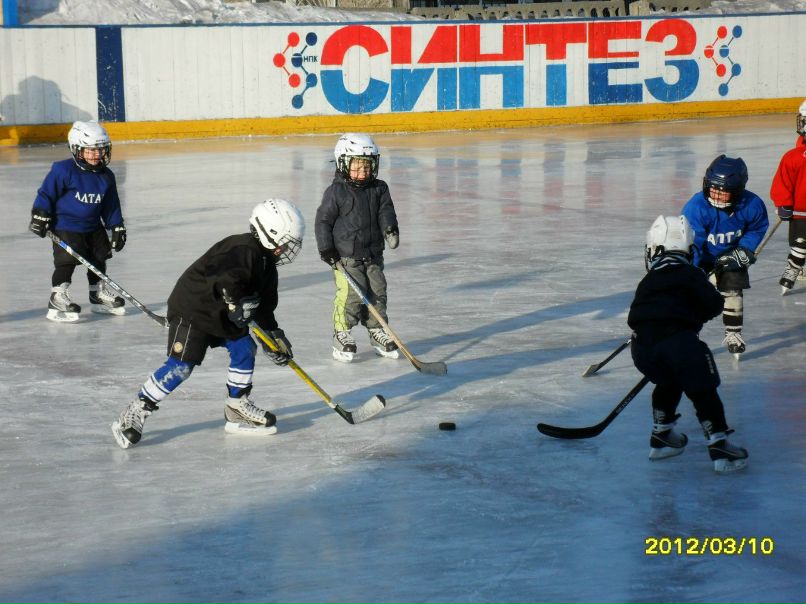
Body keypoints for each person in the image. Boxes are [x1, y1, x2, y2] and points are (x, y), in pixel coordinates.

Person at [111, 199, 305, 449]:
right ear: (270, 233)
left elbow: (264, 309)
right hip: (195, 310)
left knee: (245, 347)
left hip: (224, 316)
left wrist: (272, 336)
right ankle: (137, 409)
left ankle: (237, 407)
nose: (287, 249)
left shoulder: (268, 267)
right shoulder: (241, 249)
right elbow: (223, 277)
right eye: (286, 242)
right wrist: (235, 301)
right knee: (182, 366)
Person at [628, 215, 748, 473]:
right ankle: (719, 444)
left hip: (642, 348)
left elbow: (637, 313)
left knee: (667, 381)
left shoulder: (648, 280)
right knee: (703, 390)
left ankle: (661, 438)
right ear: (688, 250)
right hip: (679, 344)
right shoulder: (691, 274)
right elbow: (715, 304)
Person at [29, 120, 127, 322]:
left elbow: (111, 205)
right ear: (76, 149)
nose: (96, 155)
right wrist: (40, 214)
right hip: (66, 226)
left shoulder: (106, 176)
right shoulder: (63, 170)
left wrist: (116, 226)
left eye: (100, 149)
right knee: (67, 261)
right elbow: (46, 193)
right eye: (89, 150)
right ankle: (58, 296)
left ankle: (97, 293)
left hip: (93, 226)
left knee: (99, 258)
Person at [315, 133, 400, 363]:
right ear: (343, 164)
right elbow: (323, 221)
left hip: (373, 255)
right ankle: (341, 333)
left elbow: (386, 211)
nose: (363, 173)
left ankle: (377, 330)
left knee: (377, 292)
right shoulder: (336, 192)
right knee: (351, 296)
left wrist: (390, 229)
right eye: (357, 167)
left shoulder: (379, 188)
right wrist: (326, 249)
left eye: (368, 166)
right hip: (345, 257)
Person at [682, 155, 769, 358]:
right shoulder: (696, 207)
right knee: (691, 299)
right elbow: (692, 243)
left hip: (732, 256)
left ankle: (733, 334)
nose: (716, 195)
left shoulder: (752, 204)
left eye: (724, 192)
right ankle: (686, 335)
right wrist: (691, 272)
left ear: (738, 191)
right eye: (713, 188)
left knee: (732, 291)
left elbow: (757, 229)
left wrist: (745, 250)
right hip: (702, 257)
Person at [770, 99, 806, 295]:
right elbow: (783, 183)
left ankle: (796, 267)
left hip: (800, 212)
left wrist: (784, 203)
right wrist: (783, 203)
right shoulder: (793, 156)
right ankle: (796, 267)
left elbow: (782, 181)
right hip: (800, 213)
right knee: (800, 243)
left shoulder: (793, 156)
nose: (801, 122)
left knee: (801, 242)